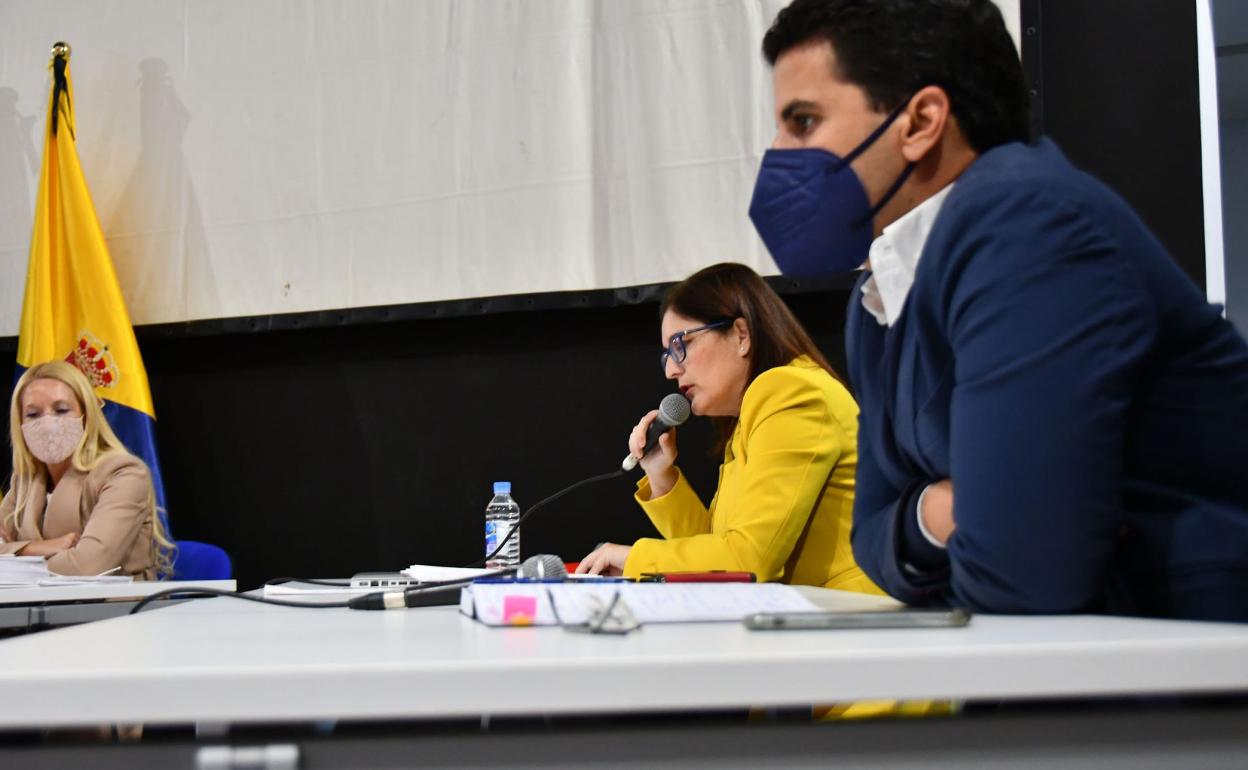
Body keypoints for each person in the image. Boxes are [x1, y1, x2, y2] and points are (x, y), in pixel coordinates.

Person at [751, 0, 1248, 620]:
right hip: (1072, 669)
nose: (777, 151)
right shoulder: (879, 295)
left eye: (802, 122)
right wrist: (947, 510)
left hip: (1194, 672)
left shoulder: (1030, 224)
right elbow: (873, 542)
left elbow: (1023, 569)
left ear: (922, 120)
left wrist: (968, 520)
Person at [577, 262, 880, 594]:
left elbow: (748, 561)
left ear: (741, 334)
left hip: (854, 622)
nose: (671, 370)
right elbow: (717, 553)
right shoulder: (753, 411)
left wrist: (634, 557)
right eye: (667, 355)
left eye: (681, 344)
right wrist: (661, 474)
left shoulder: (790, 391)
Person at [0, 361, 174, 579]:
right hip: (36, 608)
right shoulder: (25, 480)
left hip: (113, 608)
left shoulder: (124, 473)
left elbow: (86, 567)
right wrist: (34, 549)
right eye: (33, 414)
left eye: (61, 410)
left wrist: (12, 559)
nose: (48, 423)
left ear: (86, 414)